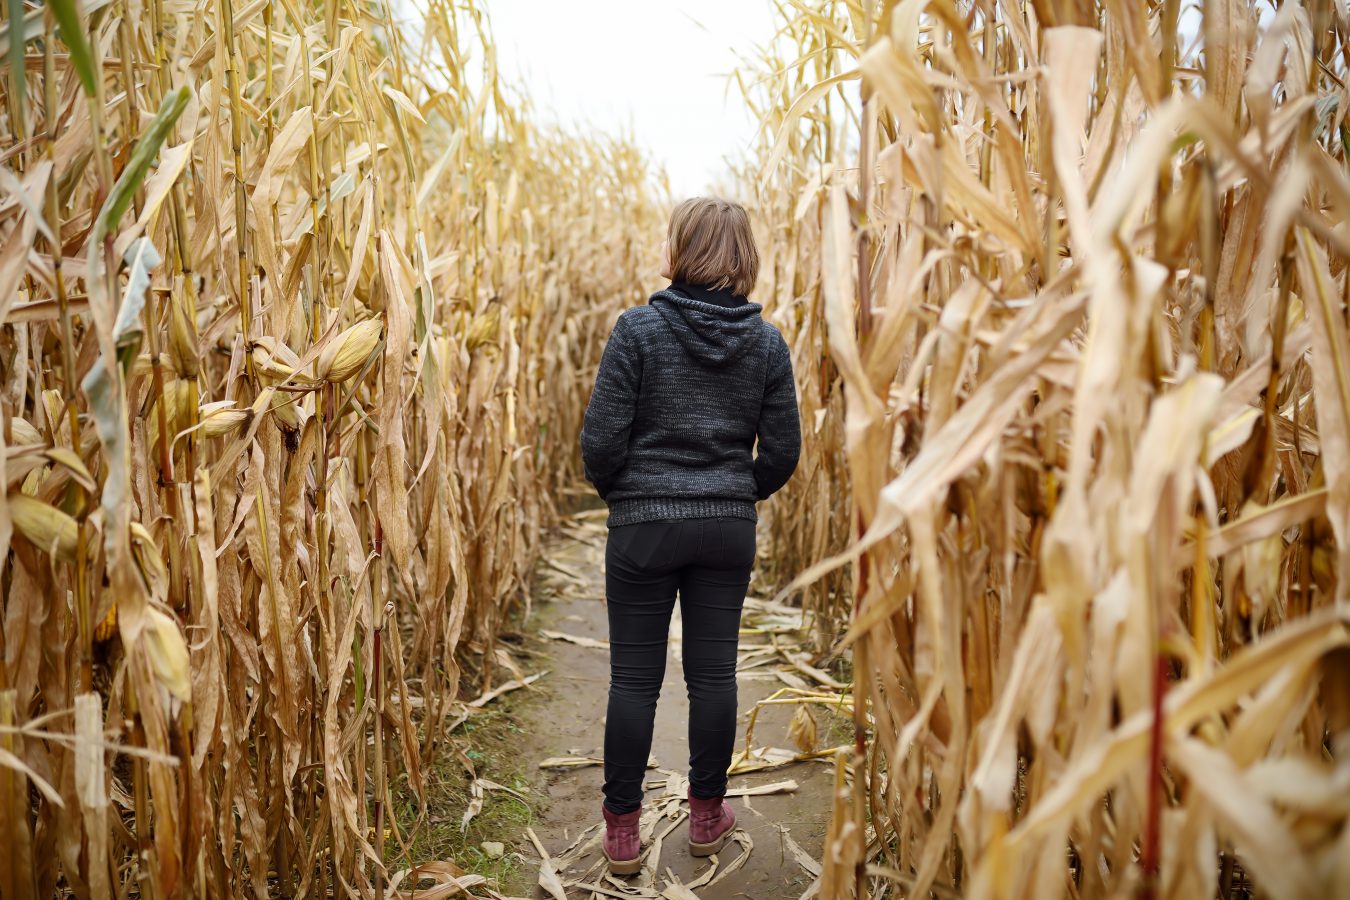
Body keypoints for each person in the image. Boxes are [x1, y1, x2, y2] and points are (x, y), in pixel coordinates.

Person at [579, 196, 802, 875]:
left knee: (634, 680)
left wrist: (629, 495)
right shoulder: (766, 343)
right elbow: (784, 449)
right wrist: (735, 495)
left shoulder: (637, 331)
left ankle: (621, 833)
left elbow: (600, 442)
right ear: (744, 258)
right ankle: (707, 817)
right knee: (714, 677)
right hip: (725, 531)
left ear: (680, 250)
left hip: (644, 528)